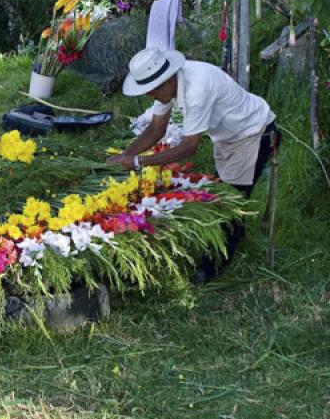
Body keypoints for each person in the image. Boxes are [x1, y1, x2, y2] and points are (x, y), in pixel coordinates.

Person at [108, 47, 279, 281]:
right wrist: (125, 154)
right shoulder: (168, 84)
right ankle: (229, 240)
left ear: (166, 81)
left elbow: (189, 147)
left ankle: (214, 266)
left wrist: (138, 161)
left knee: (230, 200)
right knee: (228, 195)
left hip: (252, 133)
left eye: (153, 91)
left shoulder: (197, 88)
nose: (151, 97)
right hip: (228, 136)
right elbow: (157, 128)